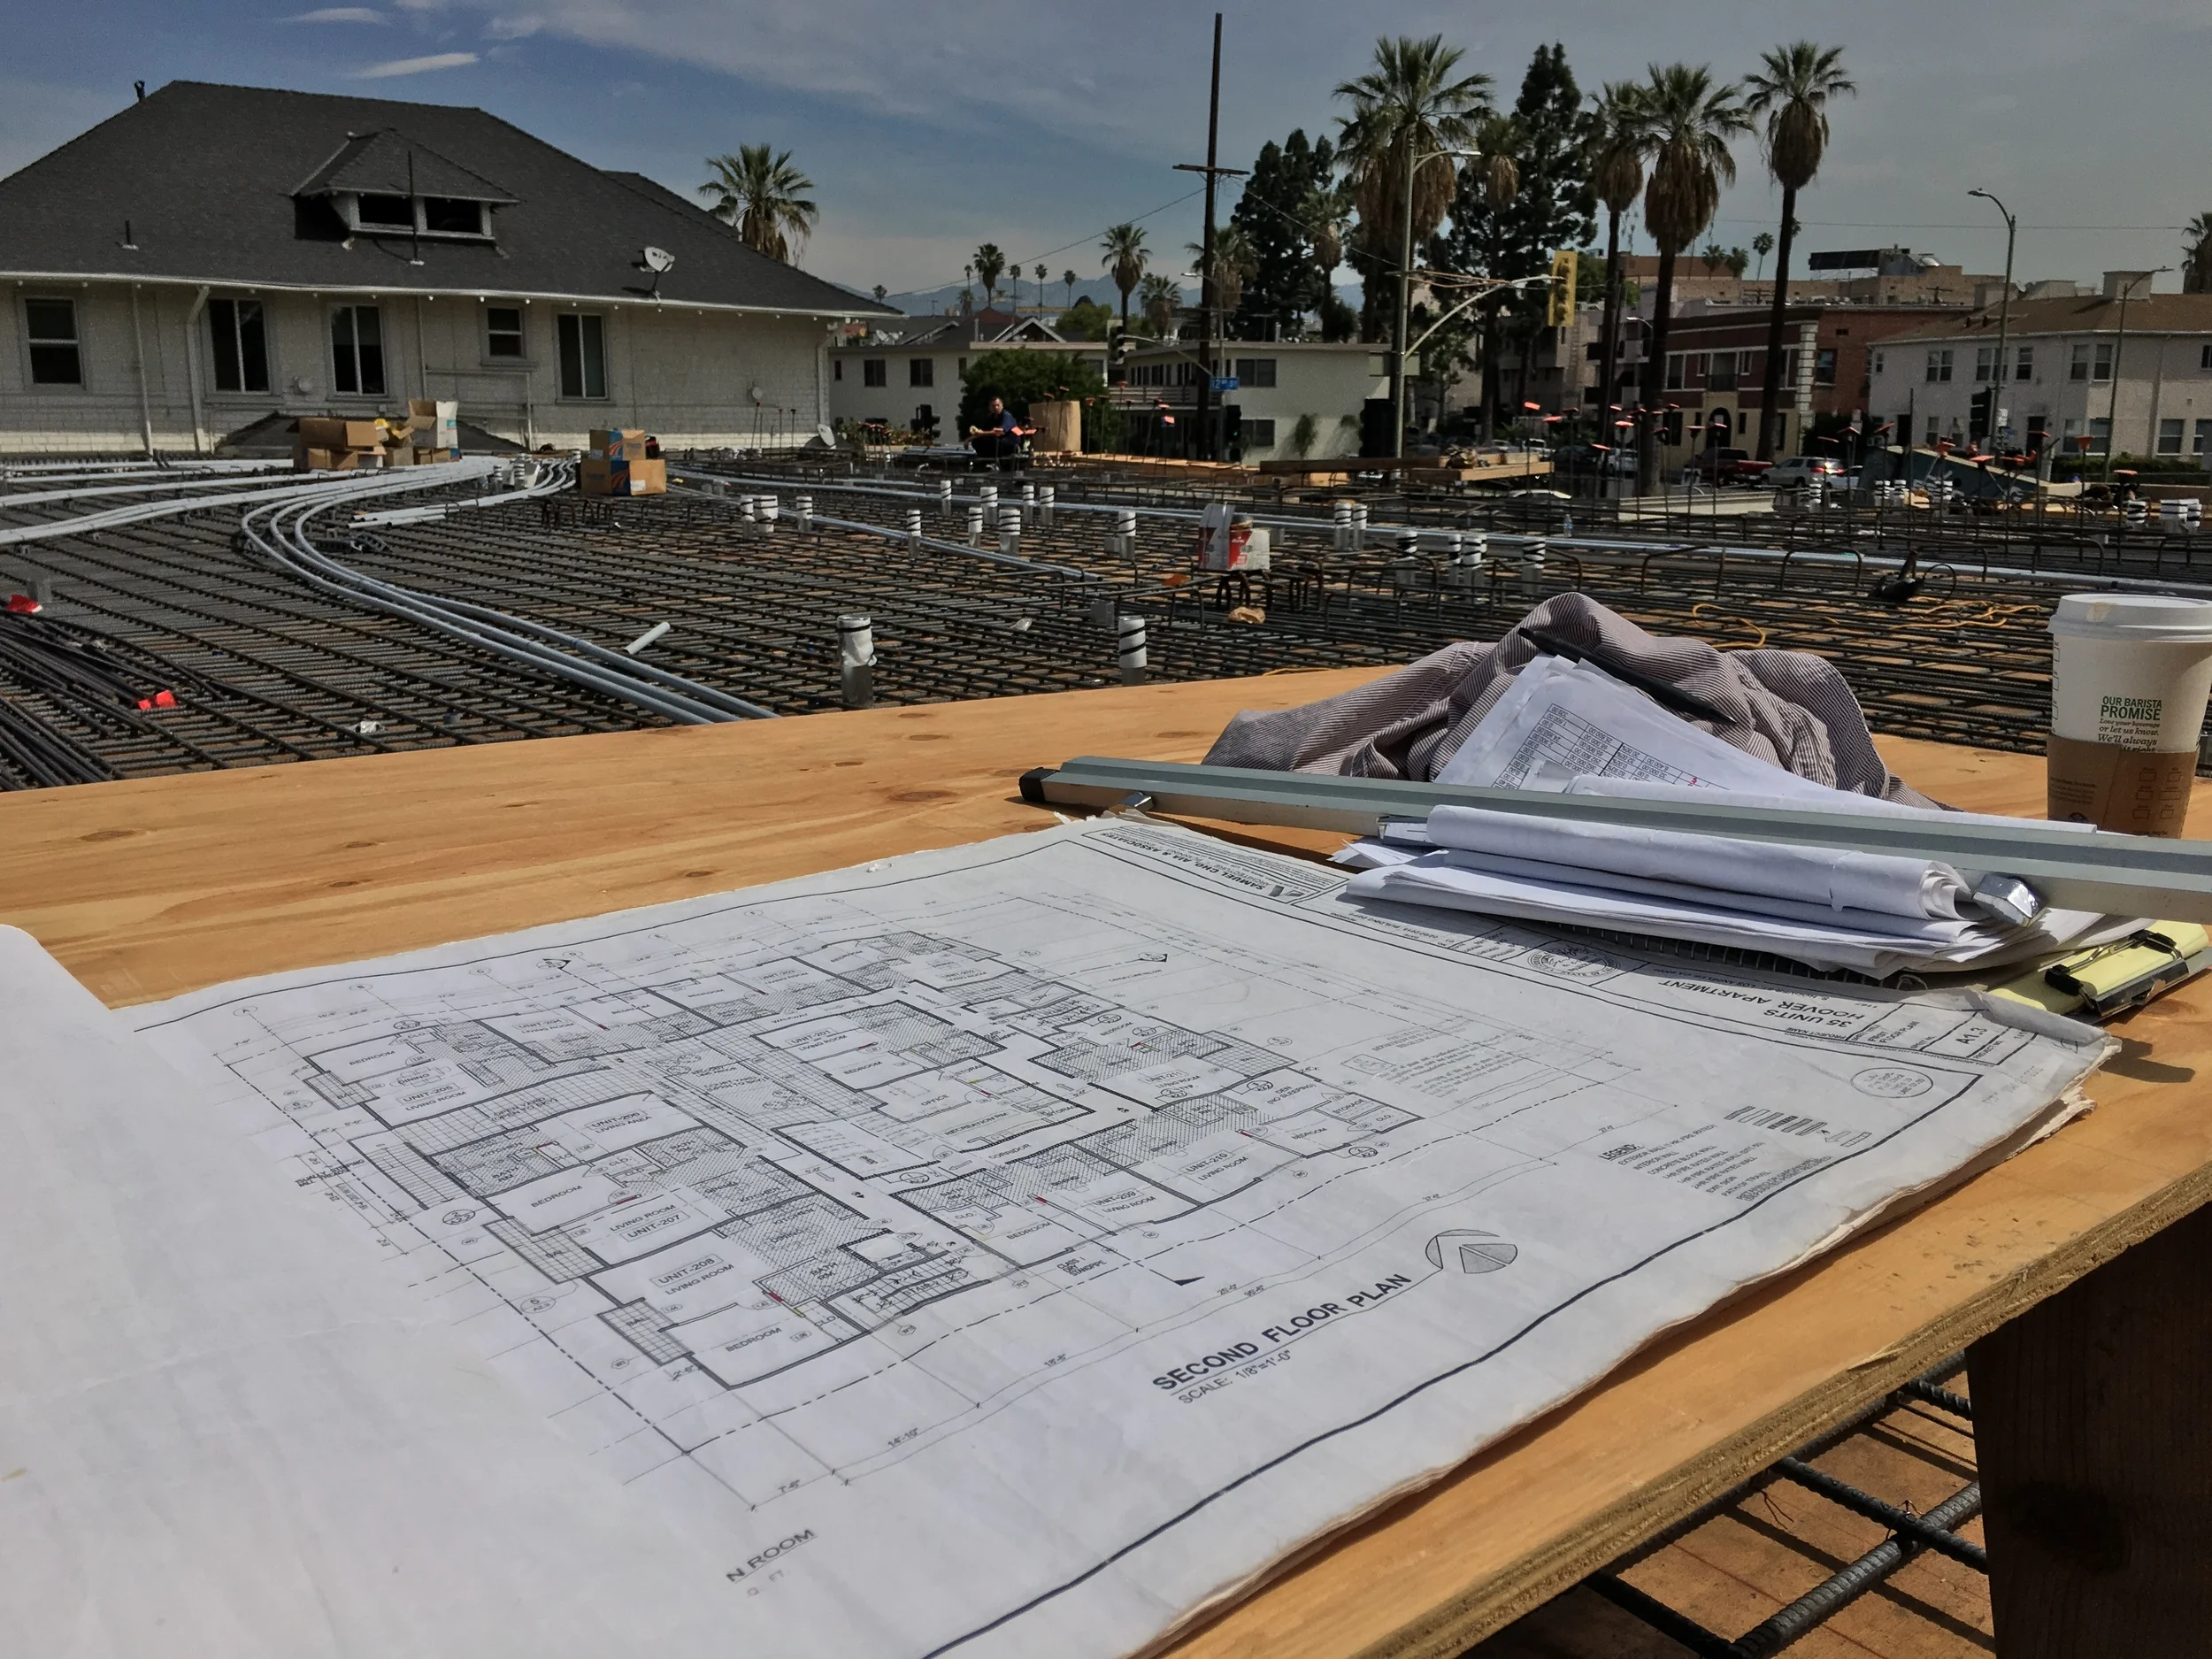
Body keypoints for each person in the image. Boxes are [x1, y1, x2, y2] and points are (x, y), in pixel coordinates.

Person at [967, 396, 1032, 469]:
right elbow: (982, 431)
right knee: (977, 442)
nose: (996, 408)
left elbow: (1001, 432)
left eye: (998, 405)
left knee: (997, 441)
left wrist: (982, 433)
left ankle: (996, 463)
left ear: (1002, 406)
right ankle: (987, 463)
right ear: (990, 408)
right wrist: (969, 440)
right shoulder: (990, 417)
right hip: (999, 442)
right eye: (993, 406)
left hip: (1011, 442)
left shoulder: (1006, 416)